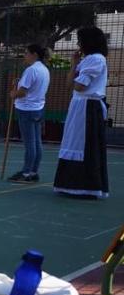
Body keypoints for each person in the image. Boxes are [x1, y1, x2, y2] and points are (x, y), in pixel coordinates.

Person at [54, 26, 109, 199]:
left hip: (88, 107)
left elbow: (79, 85)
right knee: (74, 141)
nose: (78, 44)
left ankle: (86, 186)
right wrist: (74, 65)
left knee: (84, 144)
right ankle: (70, 184)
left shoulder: (96, 59)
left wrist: (78, 72)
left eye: (80, 40)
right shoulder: (87, 60)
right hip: (79, 105)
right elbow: (69, 84)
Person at [8, 44, 51, 183]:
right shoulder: (44, 69)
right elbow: (30, 86)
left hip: (26, 109)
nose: (25, 56)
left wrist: (13, 93)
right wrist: (19, 82)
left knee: (30, 143)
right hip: (38, 108)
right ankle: (33, 171)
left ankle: (26, 173)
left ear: (35, 54)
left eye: (26, 53)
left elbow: (22, 92)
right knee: (37, 142)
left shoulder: (31, 70)